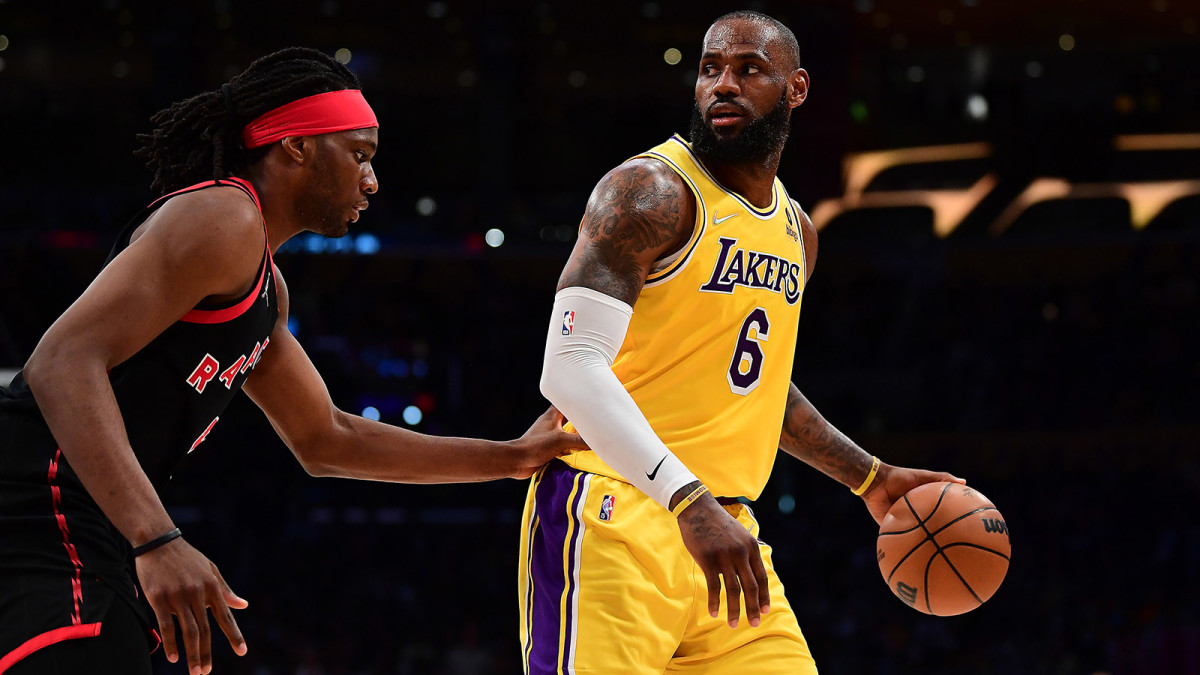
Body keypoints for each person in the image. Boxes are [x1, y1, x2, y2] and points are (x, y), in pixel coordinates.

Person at [0, 47, 580, 675]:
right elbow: (61, 360)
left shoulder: (265, 286)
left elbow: (327, 438)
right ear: (297, 145)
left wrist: (512, 457)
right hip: (38, 508)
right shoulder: (223, 215)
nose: (373, 180)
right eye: (359, 154)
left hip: (88, 529)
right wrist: (157, 537)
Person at [525, 11, 963, 673]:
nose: (723, 85)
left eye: (748, 69)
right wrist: (687, 498)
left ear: (797, 88)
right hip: (614, 516)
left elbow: (755, 386)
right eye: (710, 69)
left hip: (727, 531)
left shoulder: (796, 233)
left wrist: (869, 476)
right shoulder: (647, 192)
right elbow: (570, 369)